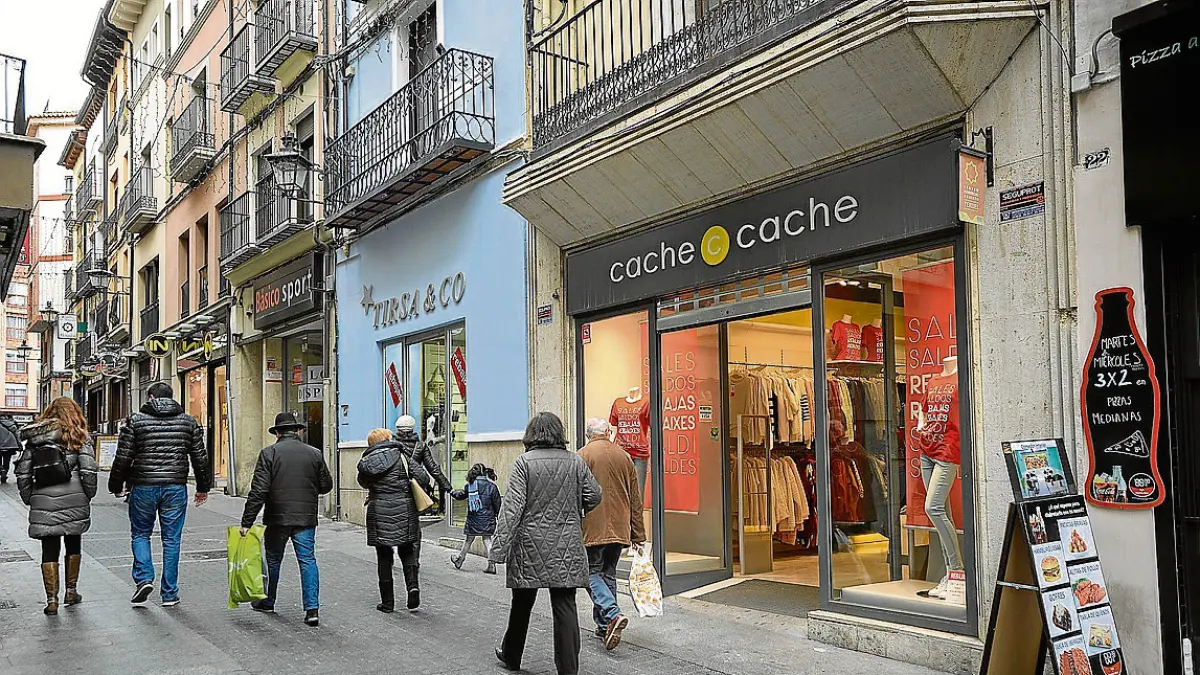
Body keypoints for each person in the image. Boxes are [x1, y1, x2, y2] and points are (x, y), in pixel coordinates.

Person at [490, 412, 602, 675]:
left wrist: (498, 550)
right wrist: (577, 509)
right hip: (566, 545)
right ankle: (568, 669)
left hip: (529, 547)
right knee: (565, 606)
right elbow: (595, 495)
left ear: (531, 435)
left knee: (521, 603)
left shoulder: (524, 463)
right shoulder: (575, 462)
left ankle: (512, 655)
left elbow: (511, 509)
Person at [109, 382, 210, 608]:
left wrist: (116, 485)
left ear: (151, 397)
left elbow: (123, 456)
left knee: (140, 534)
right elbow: (200, 458)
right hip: (175, 486)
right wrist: (203, 487)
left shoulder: (136, 421)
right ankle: (170, 593)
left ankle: (144, 578)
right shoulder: (188, 422)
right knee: (172, 539)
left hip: (143, 486)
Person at [241, 411, 333, 627]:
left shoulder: (269, 453)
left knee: (273, 560)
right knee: (307, 560)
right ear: (298, 431)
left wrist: (247, 522)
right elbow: (326, 486)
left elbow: (259, 491)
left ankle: (268, 601)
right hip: (305, 517)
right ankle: (312, 610)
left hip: (277, 517)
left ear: (277, 433)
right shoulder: (314, 453)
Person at [15, 398, 98, 615]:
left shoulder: (36, 439)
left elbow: (23, 473)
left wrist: (30, 497)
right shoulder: (79, 436)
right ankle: (71, 591)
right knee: (73, 542)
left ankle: (51, 601)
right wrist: (88, 495)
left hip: (43, 497)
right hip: (74, 497)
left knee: (49, 547)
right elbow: (88, 470)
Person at [578, 418, 646, 650]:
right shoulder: (624, 457)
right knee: (608, 574)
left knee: (590, 573)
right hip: (619, 527)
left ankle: (612, 613)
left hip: (592, 528)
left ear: (588, 435)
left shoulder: (582, 456)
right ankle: (605, 625)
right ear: (607, 432)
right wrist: (638, 535)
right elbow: (635, 499)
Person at [358, 425, 434, 613]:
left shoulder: (366, 462)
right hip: (404, 509)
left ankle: (387, 603)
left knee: (384, 556)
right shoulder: (402, 456)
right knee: (407, 550)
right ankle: (413, 587)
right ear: (387, 439)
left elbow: (363, 482)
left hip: (379, 510)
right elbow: (423, 478)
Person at [449, 463, 502, 574]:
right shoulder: (492, 486)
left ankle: (459, 560)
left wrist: (451, 491)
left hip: (473, 519)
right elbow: (497, 504)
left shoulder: (470, 486)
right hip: (488, 519)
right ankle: (491, 565)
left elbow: (459, 496)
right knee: (487, 539)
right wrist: (498, 516)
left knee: (469, 540)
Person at [396, 414, 453, 507]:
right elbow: (433, 468)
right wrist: (448, 488)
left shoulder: (392, 445)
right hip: (416, 487)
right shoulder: (421, 446)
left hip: (396, 487)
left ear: (398, 429)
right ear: (412, 429)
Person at [0, 413, 21, 483]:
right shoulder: (11, 424)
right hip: (9, 445)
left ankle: (1, 469)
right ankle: (4, 473)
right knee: (7, 460)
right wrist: (19, 445)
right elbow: (17, 435)